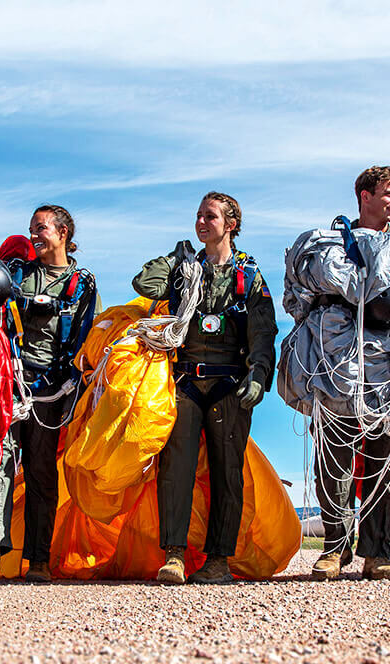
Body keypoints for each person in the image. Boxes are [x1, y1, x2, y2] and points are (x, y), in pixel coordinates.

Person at [300, 166, 390, 581]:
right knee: (334, 457)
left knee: (387, 459)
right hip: (339, 362)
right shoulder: (329, 246)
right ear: (364, 196)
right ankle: (334, 548)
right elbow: (302, 294)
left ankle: (377, 552)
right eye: (387, 193)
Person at [132, 192, 277, 585]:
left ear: (230, 225)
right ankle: (174, 555)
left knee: (227, 472)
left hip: (230, 383)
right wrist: (172, 258)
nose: (200, 222)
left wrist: (260, 375)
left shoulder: (250, 277)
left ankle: (218, 560)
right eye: (197, 215)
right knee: (174, 469)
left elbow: (263, 332)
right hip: (185, 381)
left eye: (209, 216)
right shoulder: (184, 270)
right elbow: (142, 283)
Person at [0, 205, 101, 582]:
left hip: (52, 390)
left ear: (62, 233)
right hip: (10, 382)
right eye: (31, 228)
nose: (33, 235)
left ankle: (39, 560)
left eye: (41, 228)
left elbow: (83, 335)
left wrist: (74, 388)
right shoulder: (15, 274)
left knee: (42, 471)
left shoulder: (83, 282)